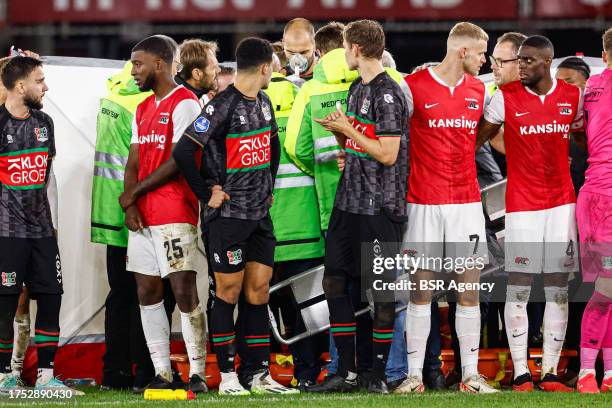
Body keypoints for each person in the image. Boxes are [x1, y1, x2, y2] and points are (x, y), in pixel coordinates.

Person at [173, 37, 297, 396]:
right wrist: (206, 192)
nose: (274, 70)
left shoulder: (265, 102)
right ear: (264, 67)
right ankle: (227, 375)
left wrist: (269, 185)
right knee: (227, 293)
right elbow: (183, 151)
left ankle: (256, 374)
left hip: (259, 216)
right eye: (273, 65)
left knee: (258, 293)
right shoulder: (220, 107)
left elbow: (272, 146)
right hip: (227, 218)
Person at [306, 19, 409, 394]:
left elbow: (388, 153)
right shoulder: (355, 88)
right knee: (335, 280)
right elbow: (363, 145)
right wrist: (342, 139)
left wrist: (350, 133)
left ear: (357, 49)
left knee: (380, 293)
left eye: (345, 47)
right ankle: (346, 372)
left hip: (380, 208)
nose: (342, 54)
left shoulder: (388, 94)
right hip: (349, 203)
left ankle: (378, 374)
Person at [477, 35, 583, 392]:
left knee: (556, 287)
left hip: (561, 204)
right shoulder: (504, 98)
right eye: (518, 60)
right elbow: (477, 140)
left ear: (547, 62)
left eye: (527, 61)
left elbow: (585, 137)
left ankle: (550, 373)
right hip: (522, 204)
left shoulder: (572, 97)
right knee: (519, 287)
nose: (519, 66)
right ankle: (521, 373)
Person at [400, 22, 497, 394]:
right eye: (480, 52)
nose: (484, 59)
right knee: (421, 291)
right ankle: (413, 377)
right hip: (422, 202)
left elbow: (485, 137)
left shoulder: (478, 90)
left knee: (468, 291)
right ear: (462, 52)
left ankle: (470, 376)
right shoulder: (414, 87)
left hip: (466, 204)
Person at [119, 35, 207, 393]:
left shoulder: (185, 103)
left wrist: (134, 193)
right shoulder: (142, 108)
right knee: (146, 290)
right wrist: (133, 203)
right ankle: (163, 372)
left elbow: (179, 160)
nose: (133, 70)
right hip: (144, 215)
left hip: (174, 208)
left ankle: (198, 373)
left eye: (137, 63)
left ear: (159, 63)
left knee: (183, 289)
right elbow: (134, 159)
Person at [0, 56, 79, 394]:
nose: (45, 87)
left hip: (42, 232)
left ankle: (47, 376)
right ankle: (5, 377)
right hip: (6, 234)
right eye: (39, 80)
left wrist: (52, 224)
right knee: (4, 304)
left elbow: (45, 179)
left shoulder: (45, 122)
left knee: (51, 297)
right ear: (20, 86)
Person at [264, 60, 325, 391]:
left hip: (269, 230)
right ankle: (314, 369)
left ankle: (270, 370)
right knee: (315, 305)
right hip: (309, 225)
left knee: (276, 306)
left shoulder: (253, 111)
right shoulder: (306, 104)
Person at [575, 27, 612, 394]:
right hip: (605, 198)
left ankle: (607, 372)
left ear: (602, 55)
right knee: (607, 287)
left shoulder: (589, 90)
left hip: (594, 198)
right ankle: (587, 371)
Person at [175, 38, 221, 106]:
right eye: (214, 68)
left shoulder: (174, 94)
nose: (219, 70)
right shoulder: (185, 105)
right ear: (197, 74)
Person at [283, 18, 318, 83]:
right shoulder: (277, 76)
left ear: (314, 45)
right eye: (291, 52)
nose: (297, 60)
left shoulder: (328, 75)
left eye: (303, 52)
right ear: (283, 44)